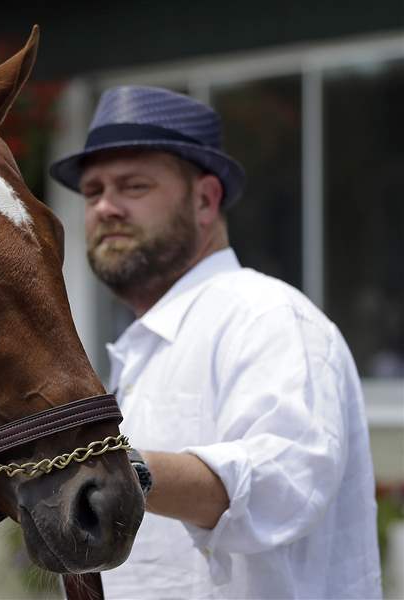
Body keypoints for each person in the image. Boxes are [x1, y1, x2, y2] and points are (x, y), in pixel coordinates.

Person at [49, 86, 381, 599]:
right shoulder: (141, 346)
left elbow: (282, 484)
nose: (106, 207)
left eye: (133, 186)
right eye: (93, 192)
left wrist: (120, 470)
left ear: (205, 199)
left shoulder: (267, 318)